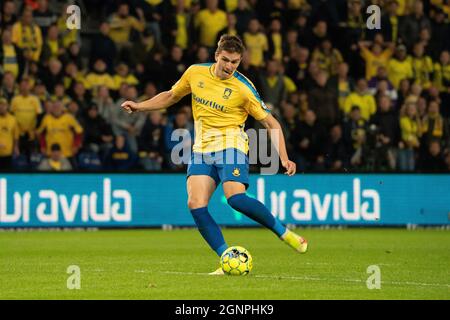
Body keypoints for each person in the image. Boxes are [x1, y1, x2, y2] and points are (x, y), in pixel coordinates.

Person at [121, 35, 308, 275]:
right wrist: (140, 106)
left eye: (236, 62)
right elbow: (170, 95)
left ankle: (286, 234)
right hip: (202, 149)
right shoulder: (195, 73)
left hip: (232, 144)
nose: (230, 66)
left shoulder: (244, 88)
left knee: (236, 199)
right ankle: (227, 258)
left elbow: (272, 124)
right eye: (226, 60)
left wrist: (284, 157)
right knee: (196, 204)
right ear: (216, 56)